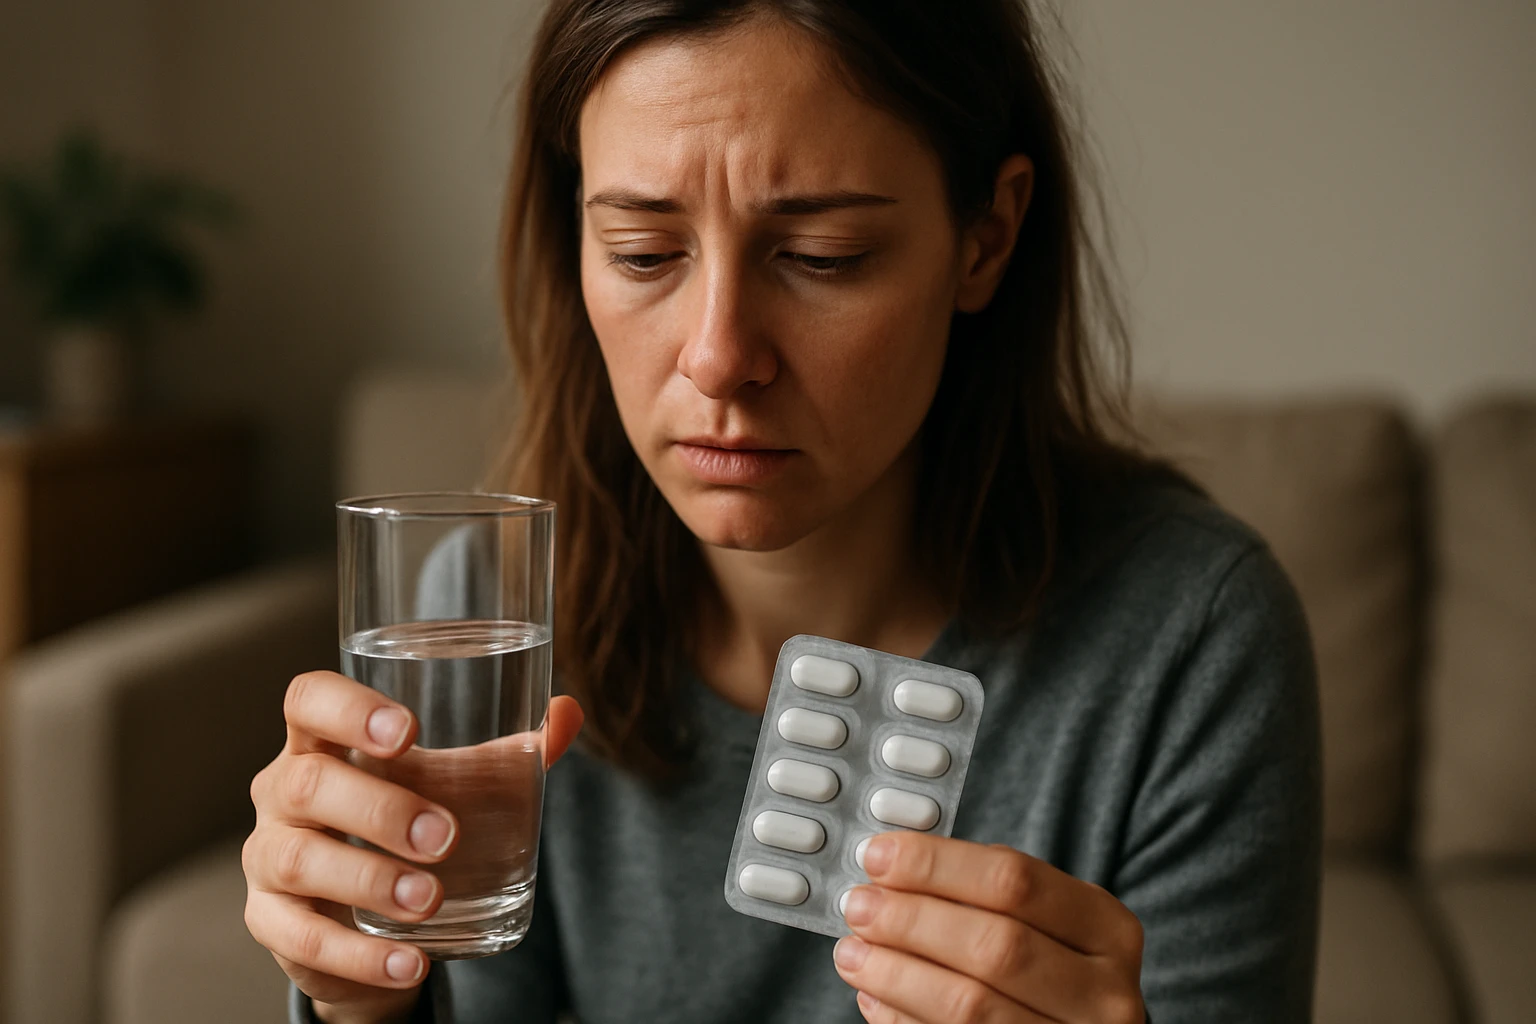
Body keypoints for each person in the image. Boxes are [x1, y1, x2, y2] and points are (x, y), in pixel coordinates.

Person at [243, 1, 1322, 1022]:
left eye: (822, 258)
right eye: (642, 253)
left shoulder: (1192, 639)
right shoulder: (489, 612)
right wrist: (363, 1000)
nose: (718, 356)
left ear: (985, 238)